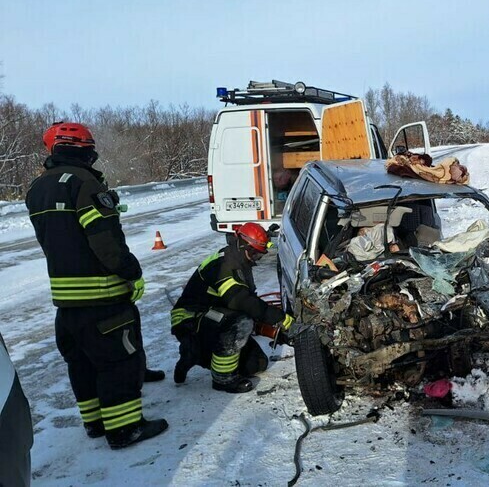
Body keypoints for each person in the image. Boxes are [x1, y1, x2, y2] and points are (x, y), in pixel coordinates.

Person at [25, 122, 168, 449]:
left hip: (66, 301)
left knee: (82, 363)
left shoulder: (37, 188)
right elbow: (105, 242)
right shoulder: (85, 184)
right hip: (103, 297)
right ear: (83, 151)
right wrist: (131, 271)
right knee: (119, 362)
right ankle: (125, 429)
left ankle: (95, 423)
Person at [170, 222, 299, 393]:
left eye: (259, 255)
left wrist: (271, 328)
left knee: (257, 364)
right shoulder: (226, 264)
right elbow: (241, 301)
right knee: (241, 322)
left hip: (213, 314)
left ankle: (195, 354)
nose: (256, 258)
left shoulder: (239, 259)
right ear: (243, 244)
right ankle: (222, 379)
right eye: (254, 253)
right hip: (191, 318)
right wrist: (280, 319)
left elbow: (247, 301)